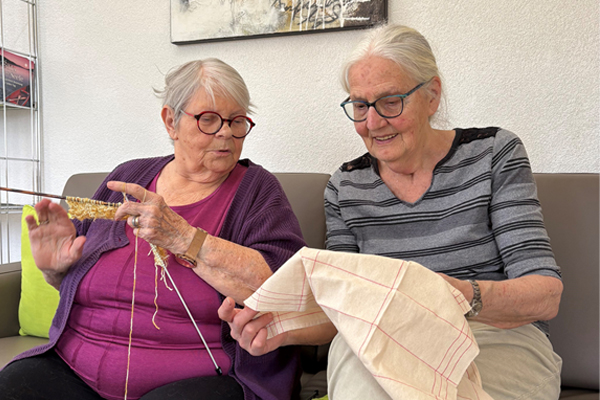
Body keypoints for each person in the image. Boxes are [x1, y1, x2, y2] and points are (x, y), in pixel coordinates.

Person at [219, 25, 563, 400]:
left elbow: (545, 296)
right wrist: (281, 329)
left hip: (494, 338)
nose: (372, 123)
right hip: (384, 340)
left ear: (432, 95)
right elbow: (342, 310)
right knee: (356, 360)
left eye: (390, 102)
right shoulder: (347, 186)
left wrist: (453, 295)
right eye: (360, 106)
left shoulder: (494, 153)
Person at [0, 58, 305, 400]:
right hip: (75, 371)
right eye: (209, 119)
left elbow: (288, 290)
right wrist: (56, 271)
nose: (226, 133)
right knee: (13, 384)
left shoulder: (257, 191)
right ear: (171, 121)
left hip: (199, 380)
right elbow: (76, 285)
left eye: (237, 121)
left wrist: (184, 237)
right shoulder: (127, 177)